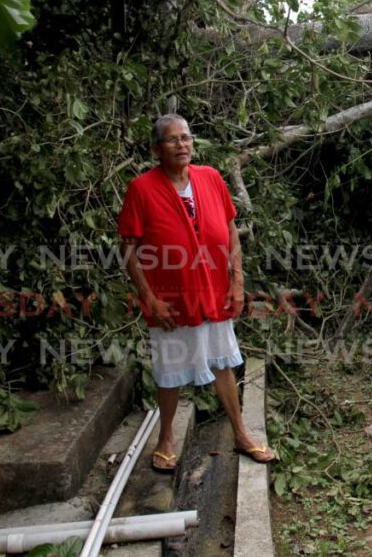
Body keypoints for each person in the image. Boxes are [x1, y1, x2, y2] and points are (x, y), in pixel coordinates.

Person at [118, 113, 276, 471]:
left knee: (223, 362)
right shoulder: (141, 189)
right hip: (170, 300)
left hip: (215, 293)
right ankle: (166, 438)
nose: (182, 145)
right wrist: (149, 298)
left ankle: (241, 433)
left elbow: (231, 230)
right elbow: (128, 248)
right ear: (157, 148)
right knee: (169, 369)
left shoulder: (211, 178)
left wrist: (237, 283)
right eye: (172, 140)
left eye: (186, 138)